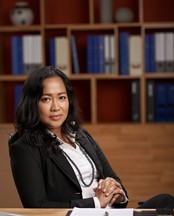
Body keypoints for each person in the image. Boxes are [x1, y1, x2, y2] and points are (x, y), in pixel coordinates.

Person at [9, 66, 129, 208]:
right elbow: (37, 206)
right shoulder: (24, 148)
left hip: (111, 215)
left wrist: (117, 193)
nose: (56, 107)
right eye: (46, 99)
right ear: (33, 104)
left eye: (61, 97)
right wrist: (96, 203)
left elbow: (114, 179)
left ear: (69, 100)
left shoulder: (81, 135)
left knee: (161, 201)